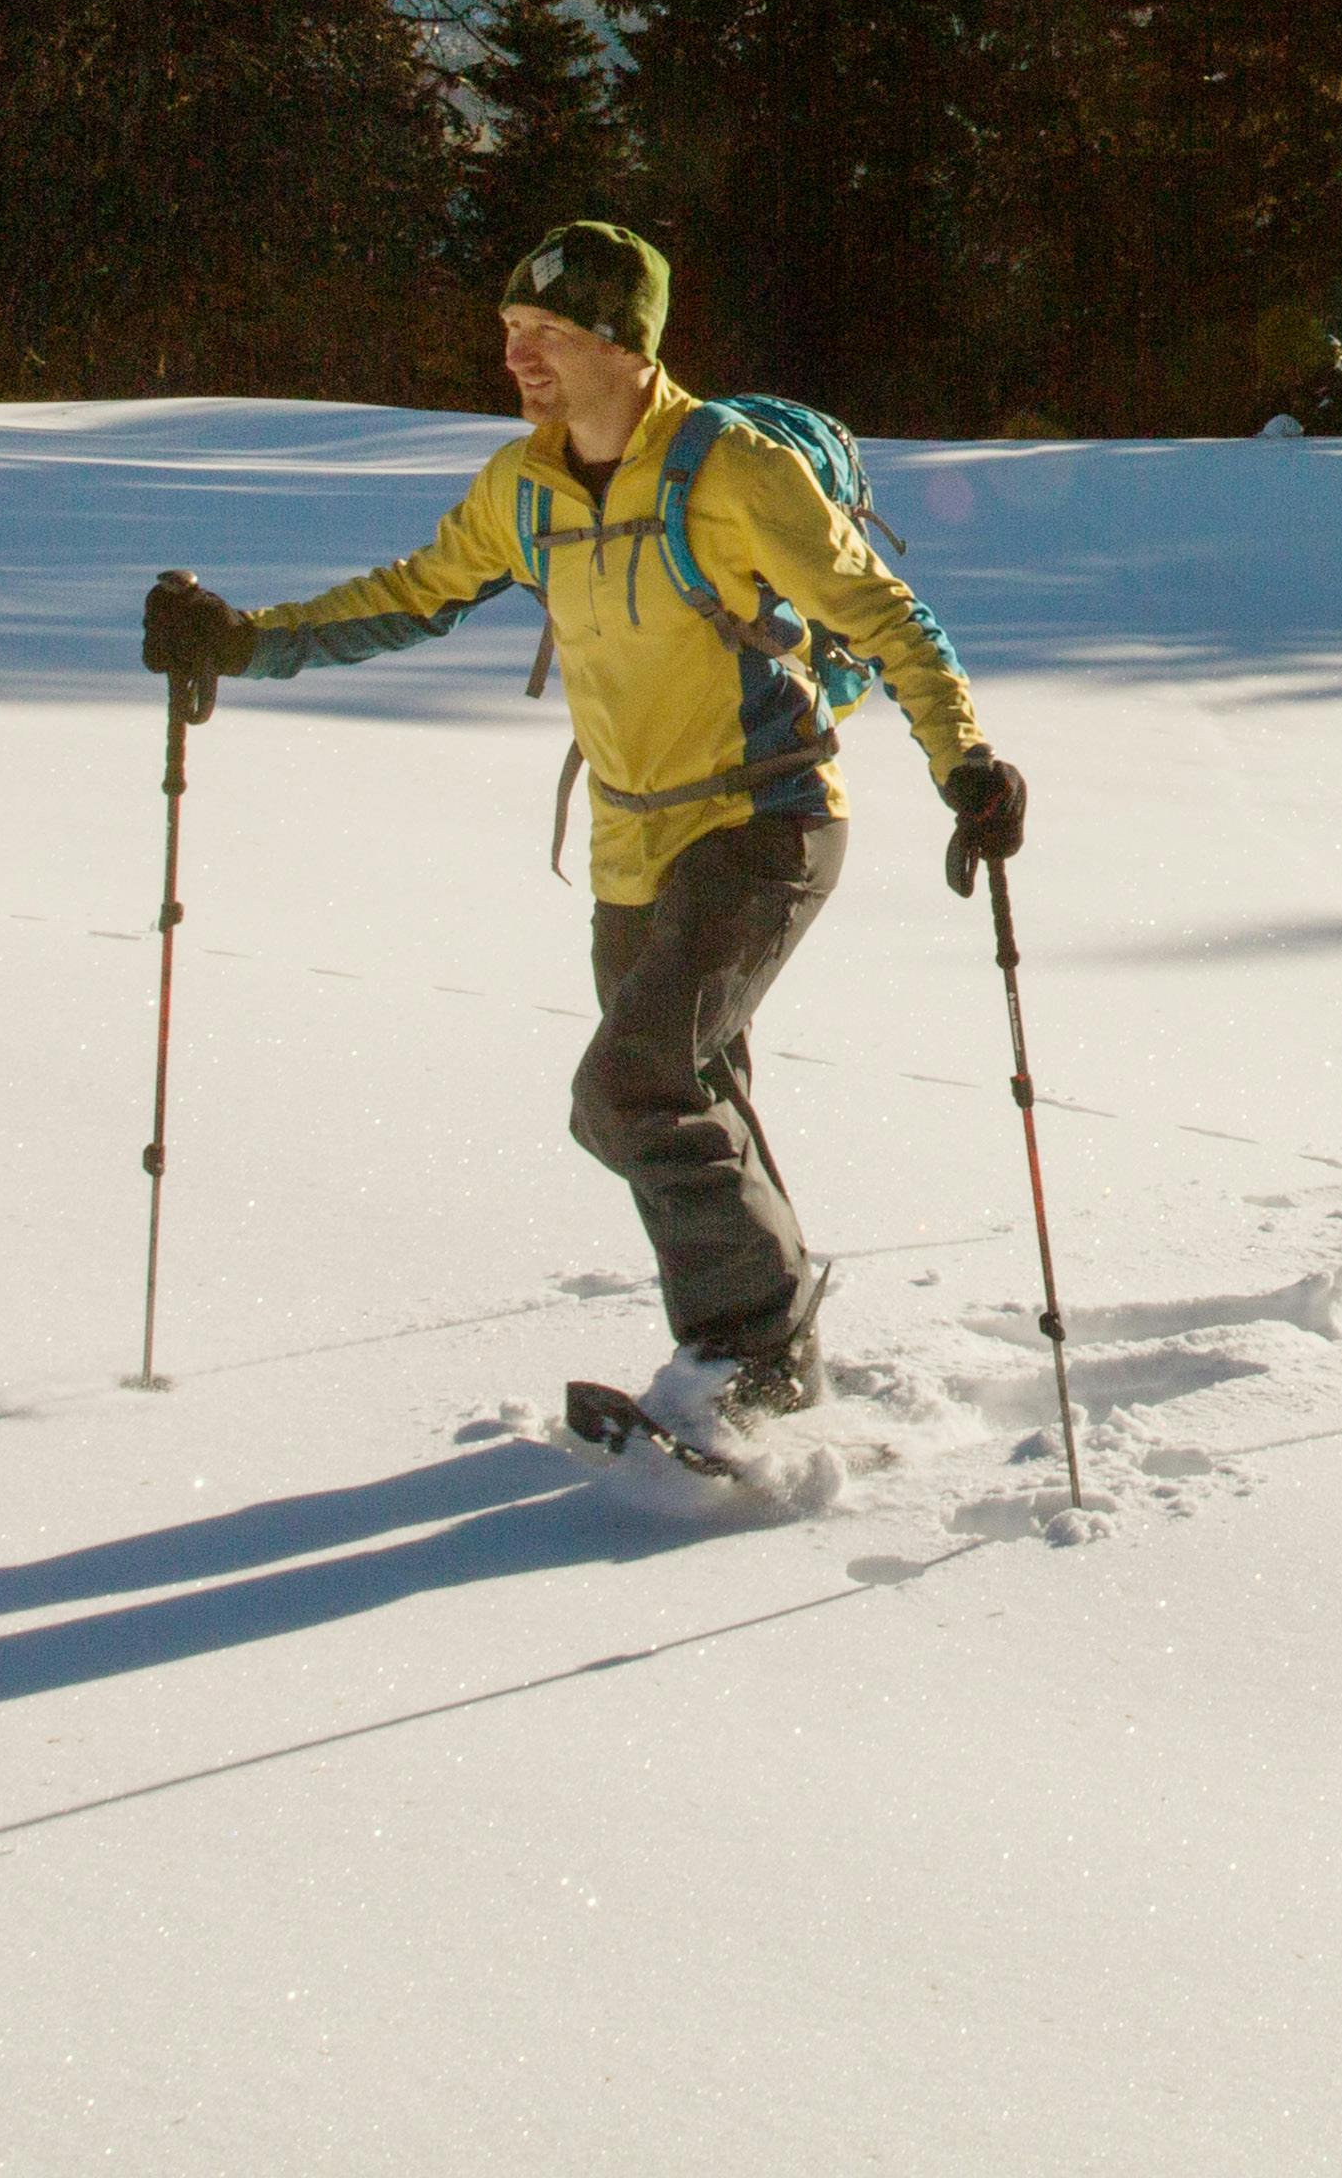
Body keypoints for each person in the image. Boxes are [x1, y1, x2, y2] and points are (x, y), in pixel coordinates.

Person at [138, 220, 1029, 1451]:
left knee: (631, 1084)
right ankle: (758, 1359)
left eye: (546, 333)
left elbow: (885, 618)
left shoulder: (734, 468)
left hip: (765, 821)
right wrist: (247, 640)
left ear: (624, 342)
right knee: (690, 1089)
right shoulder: (524, 487)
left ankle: (748, 1354)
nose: (520, 358)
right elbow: (412, 594)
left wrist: (965, 761)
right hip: (631, 843)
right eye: (510, 334)